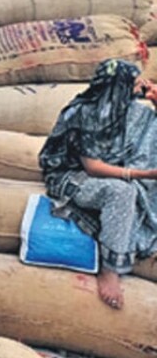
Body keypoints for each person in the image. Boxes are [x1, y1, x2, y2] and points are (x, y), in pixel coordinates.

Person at [39, 59, 157, 309]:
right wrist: (141, 174)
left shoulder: (129, 110)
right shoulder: (84, 113)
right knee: (122, 192)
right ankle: (110, 269)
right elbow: (92, 167)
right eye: (134, 85)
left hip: (119, 168)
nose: (139, 90)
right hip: (74, 176)